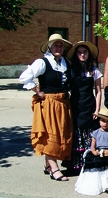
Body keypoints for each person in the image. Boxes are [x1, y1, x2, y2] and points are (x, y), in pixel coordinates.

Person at [19, 33, 73, 181]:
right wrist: (37, 91)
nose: (59, 47)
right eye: (56, 45)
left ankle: (48, 165)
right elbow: (24, 77)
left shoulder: (65, 62)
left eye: (61, 45)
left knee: (61, 134)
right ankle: (54, 169)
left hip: (63, 103)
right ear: (49, 47)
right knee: (50, 135)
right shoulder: (42, 62)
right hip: (49, 103)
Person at [66, 41, 102, 173]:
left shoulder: (94, 71)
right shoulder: (71, 70)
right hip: (75, 105)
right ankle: (75, 165)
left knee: (89, 132)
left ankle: (89, 162)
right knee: (77, 133)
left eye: (85, 52)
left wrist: (97, 109)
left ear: (89, 54)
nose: (82, 54)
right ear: (76, 54)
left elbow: (98, 91)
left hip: (89, 105)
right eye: (80, 52)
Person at [74, 108, 108, 196]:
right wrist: (94, 151)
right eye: (103, 121)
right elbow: (93, 145)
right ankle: (97, 183)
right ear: (99, 121)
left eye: (107, 121)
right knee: (94, 162)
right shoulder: (95, 132)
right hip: (98, 150)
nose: (105, 123)